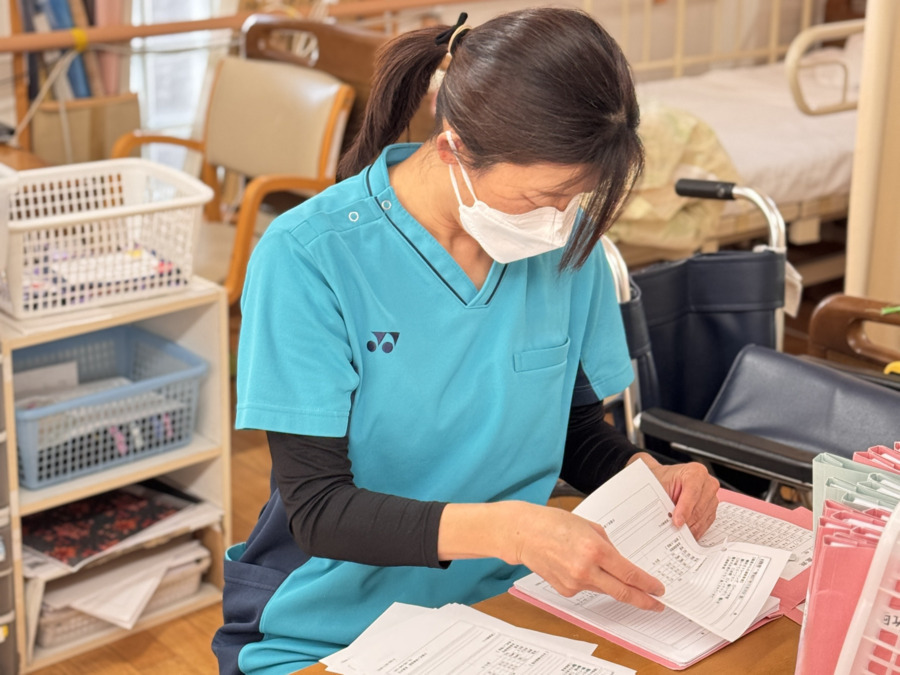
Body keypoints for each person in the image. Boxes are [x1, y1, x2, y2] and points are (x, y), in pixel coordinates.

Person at [213, 8, 720, 674]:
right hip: (331, 630)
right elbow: (317, 507)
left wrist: (644, 477)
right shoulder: (309, 258)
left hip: (508, 610)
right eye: (544, 196)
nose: (562, 222)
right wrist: (510, 529)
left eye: (579, 198)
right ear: (453, 147)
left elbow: (569, 430)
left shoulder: (570, 247)